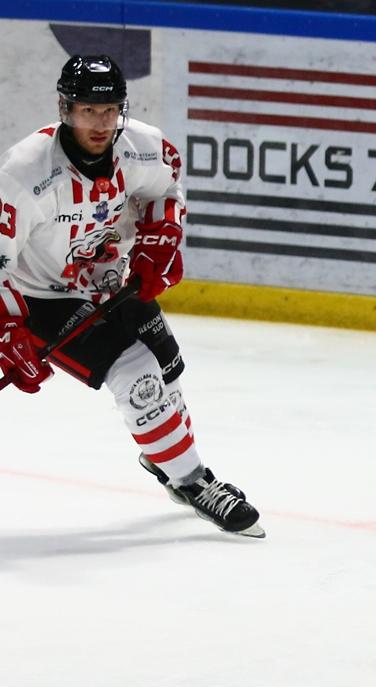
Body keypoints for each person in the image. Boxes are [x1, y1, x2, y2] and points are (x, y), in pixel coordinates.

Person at [0, 55, 262, 537]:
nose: (100, 123)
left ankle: (165, 459)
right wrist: (9, 331)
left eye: (110, 110)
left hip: (109, 280)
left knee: (167, 365)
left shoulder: (142, 147)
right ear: (65, 109)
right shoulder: (24, 174)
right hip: (42, 297)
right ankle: (193, 480)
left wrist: (160, 241)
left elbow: (166, 192)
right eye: (87, 110)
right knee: (135, 370)